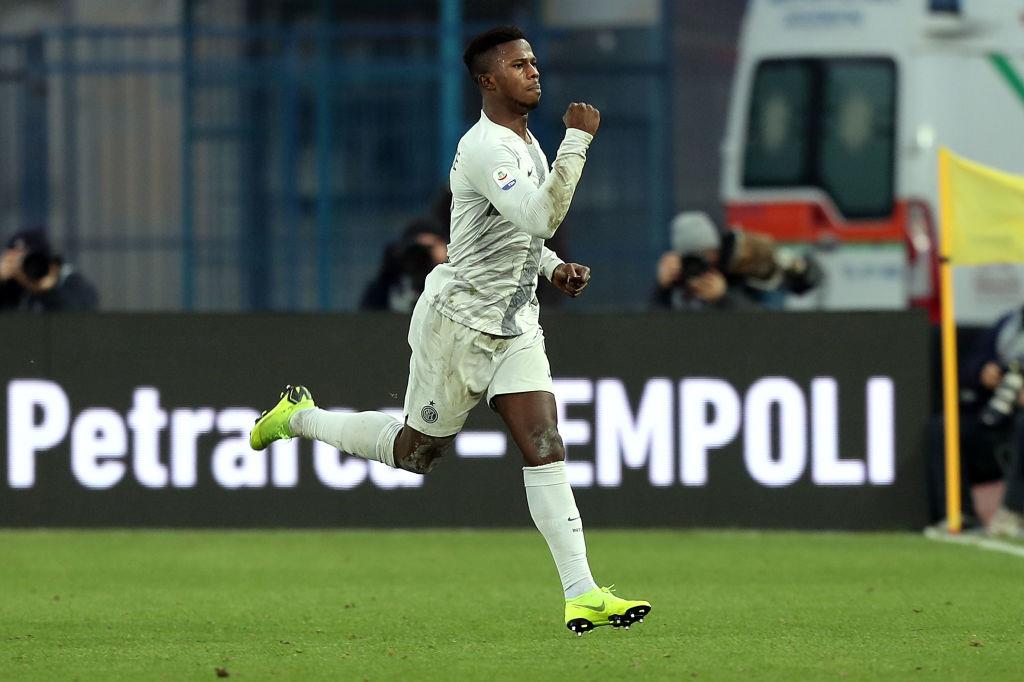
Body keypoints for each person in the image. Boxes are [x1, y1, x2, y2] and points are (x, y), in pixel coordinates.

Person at [250, 26, 650, 635]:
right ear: (488, 81)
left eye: (534, 61)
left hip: (516, 324)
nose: (533, 71)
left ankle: (582, 592)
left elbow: (519, 234)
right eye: (518, 64)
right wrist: (578, 141)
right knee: (416, 453)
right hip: (457, 325)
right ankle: (300, 418)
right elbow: (542, 214)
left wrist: (551, 268)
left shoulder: (527, 144)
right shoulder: (488, 149)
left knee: (544, 444)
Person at [926, 304, 1024, 534]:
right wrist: (983, 371)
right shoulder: (1009, 324)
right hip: (996, 419)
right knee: (945, 428)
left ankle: (1014, 511)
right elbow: (969, 366)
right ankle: (957, 512)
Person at [651, 211, 822, 311]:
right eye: (694, 257)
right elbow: (655, 331)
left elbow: (765, 327)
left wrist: (723, 297)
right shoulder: (681, 276)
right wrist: (662, 289)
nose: (704, 262)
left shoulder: (743, 262)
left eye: (708, 253)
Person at [359, 217, 449, 313]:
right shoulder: (386, 289)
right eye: (417, 249)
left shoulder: (452, 285)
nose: (422, 255)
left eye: (430, 247)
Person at [0, 229, 98, 312]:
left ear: (52, 263)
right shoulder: (11, 285)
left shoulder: (70, 281)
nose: (27, 267)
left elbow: (81, 316)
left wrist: (47, 290)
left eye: (33, 261)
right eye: (17, 260)